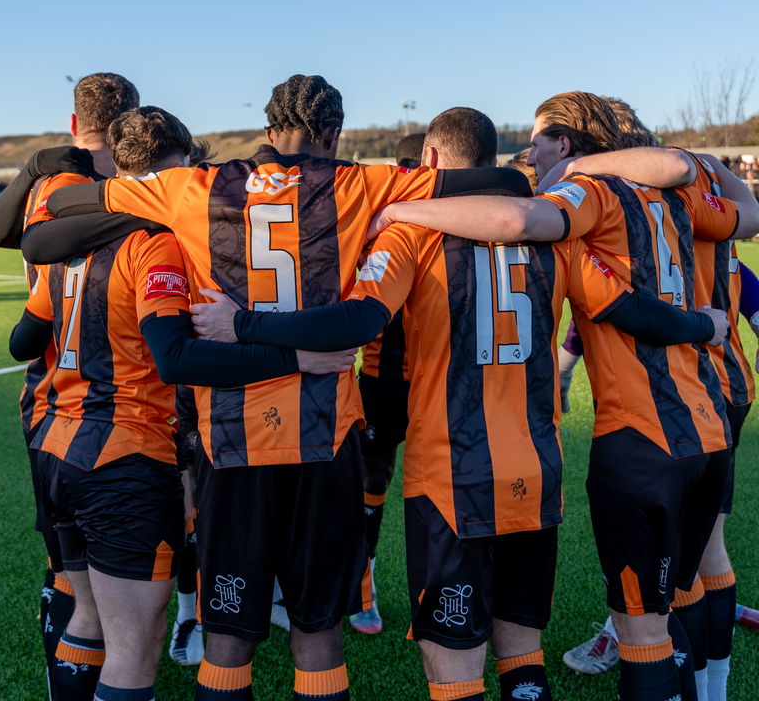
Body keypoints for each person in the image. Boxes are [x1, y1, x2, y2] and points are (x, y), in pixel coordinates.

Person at [191, 106, 729, 701]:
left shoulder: (410, 232)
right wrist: (702, 325)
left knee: (456, 672)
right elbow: (629, 308)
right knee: (522, 656)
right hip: (537, 470)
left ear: (429, 160)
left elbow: (355, 322)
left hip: (452, 476)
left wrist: (243, 325)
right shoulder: (557, 238)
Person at [32, 74, 530, 701]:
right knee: (318, 634)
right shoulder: (361, 183)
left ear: (268, 129)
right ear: (334, 134)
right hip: (325, 440)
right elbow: (505, 183)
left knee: (226, 640)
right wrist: (402, 207)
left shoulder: (192, 186)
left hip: (232, 443)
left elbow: (58, 215)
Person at [359, 91, 759, 701]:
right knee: (682, 590)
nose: (532, 153)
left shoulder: (581, 198)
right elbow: (738, 215)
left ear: (568, 144)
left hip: (616, 439)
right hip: (701, 422)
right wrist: (703, 325)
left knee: (640, 630)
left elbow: (519, 224)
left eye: (539, 141)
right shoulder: (675, 197)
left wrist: (403, 211)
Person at [12, 105, 355, 701]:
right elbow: (175, 358)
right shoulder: (158, 241)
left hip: (56, 445)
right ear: (177, 168)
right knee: (132, 650)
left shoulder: (72, 244)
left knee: (90, 617)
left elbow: (23, 341)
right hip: (122, 452)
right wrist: (296, 358)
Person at [0, 72, 139, 691]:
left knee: (67, 564)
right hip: (118, 401)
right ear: (130, 123)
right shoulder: (126, 188)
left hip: (46, 395)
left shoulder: (46, 183)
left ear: (75, 122)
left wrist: (31, 167)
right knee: (120, 576)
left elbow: (2, 232)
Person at [350, 131, 425, 636]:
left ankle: (440, 589)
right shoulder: (372, 228)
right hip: (380, 382)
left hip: (434, 381)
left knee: (436, 488)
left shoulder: (452, 223)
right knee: (370, 484)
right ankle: (363, 590)